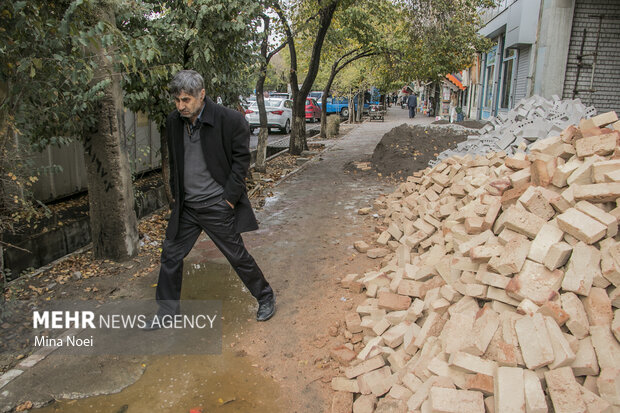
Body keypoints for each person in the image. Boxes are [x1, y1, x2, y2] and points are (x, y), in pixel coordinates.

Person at [145, 70, 275, 330]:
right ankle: (167, 311)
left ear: (201, 94)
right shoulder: (174, 121)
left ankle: (265, 297)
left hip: (216, 205)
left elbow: (241, 162)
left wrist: (229, 198)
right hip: (188, 208)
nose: (181, 106)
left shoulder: (230, 120)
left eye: (186, 100)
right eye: (177, 100)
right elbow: (175, 161)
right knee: (170, 255)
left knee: (237, 256)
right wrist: (176, 199)